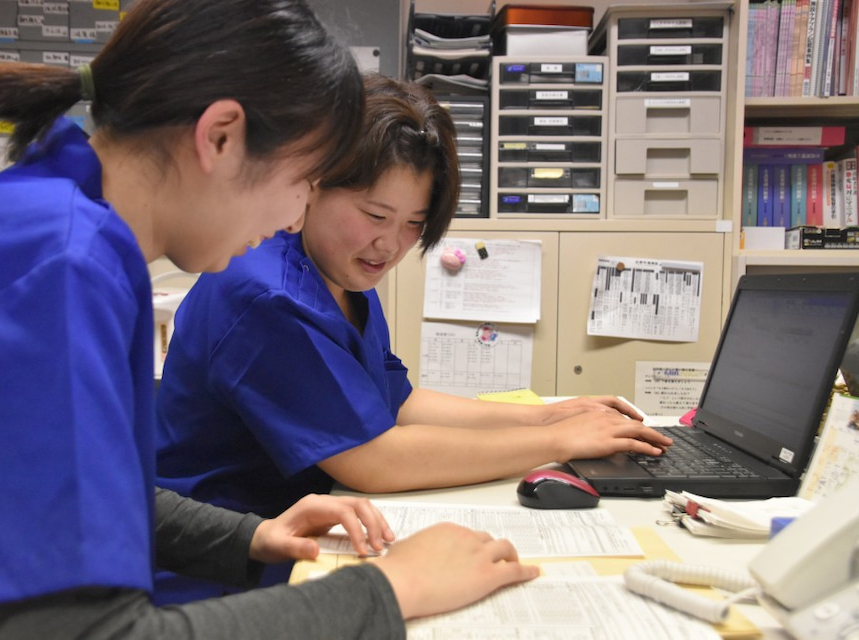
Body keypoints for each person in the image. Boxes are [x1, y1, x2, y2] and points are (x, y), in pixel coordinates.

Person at [0, 2, 540, 638]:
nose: (295, 217)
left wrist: (250, 535)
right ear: (221, 137)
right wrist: (396, 588)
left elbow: (63, 499)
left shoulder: (61, 229)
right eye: (305, 179)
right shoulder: (57, 267)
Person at [154, 75, 674, 591]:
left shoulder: (340, 271)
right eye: (375, 214)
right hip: (223, 568)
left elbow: (396, 401)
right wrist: (555, 440)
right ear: (313, 185)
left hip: (305, 535)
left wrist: (547, 413)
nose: (390, 244)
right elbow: (373, 461)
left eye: (413, 224)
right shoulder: (271, 297)